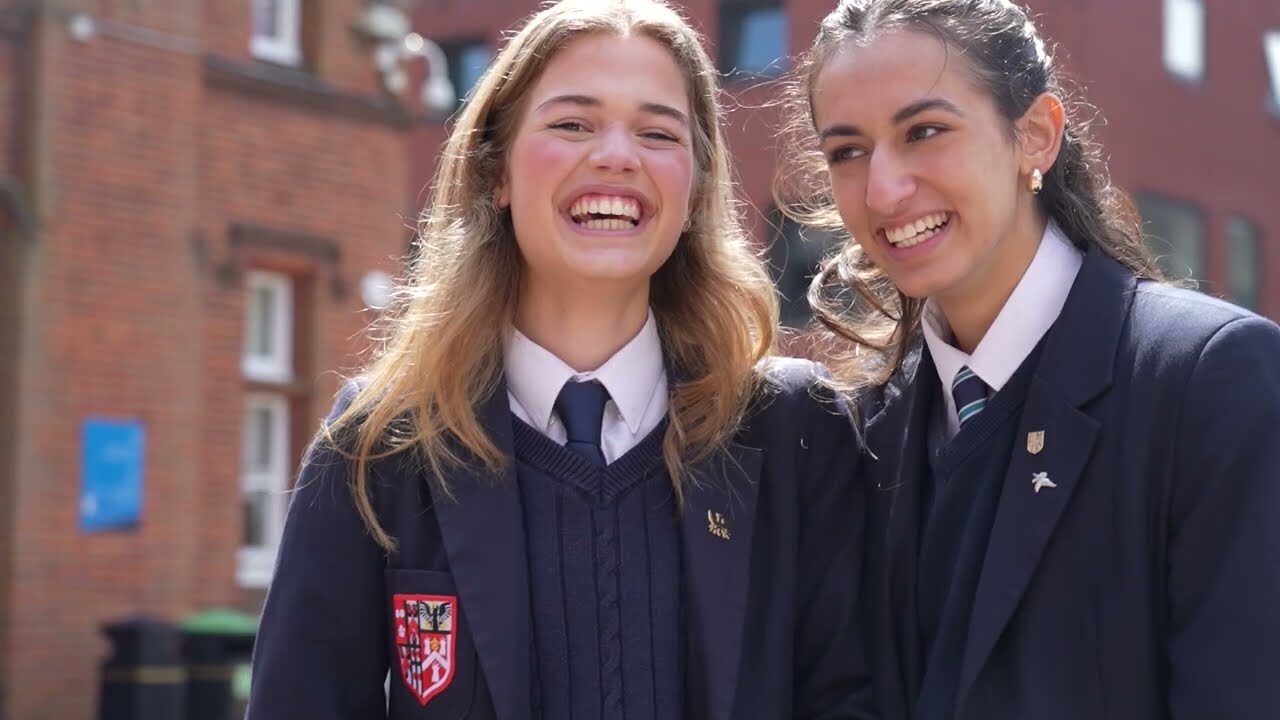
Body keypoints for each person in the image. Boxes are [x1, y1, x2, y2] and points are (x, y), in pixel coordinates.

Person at [245, 1, 876, 718]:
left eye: (658, 131)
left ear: (696, 185)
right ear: (495, 174)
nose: (616, 154)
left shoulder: (798, 432)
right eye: (572, 124)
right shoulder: (378, 443)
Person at [777, 1, 1280, 718]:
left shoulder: (1209, 381)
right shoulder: (862, 434)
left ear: (1036, 135)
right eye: (847, 151)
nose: (883, 190)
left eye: (924, 131)